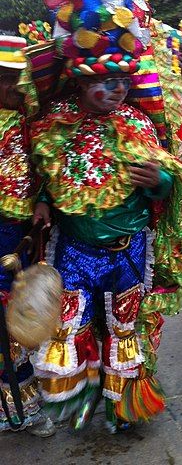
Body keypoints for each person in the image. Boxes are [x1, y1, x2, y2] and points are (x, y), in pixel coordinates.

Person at [32, 0, 182, 432]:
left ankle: (124, 405)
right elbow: (34, 177)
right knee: (75, 329)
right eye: (100, 82)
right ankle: (77, 401)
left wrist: (161, 181)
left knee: (126, 330)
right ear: (78, 80)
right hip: (74, 252)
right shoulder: (53, 124)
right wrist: (38, 204)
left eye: (122, 82)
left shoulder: (137, 122)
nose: (112, 91)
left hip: (130, 249)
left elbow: (173, 180)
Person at [0, 36, 55, 436]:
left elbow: (42, 168)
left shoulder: (31, 120)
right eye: (3, 80)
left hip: (21, 233)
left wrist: (43, 201)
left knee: (21, 315)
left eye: (16, 79)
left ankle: (25, 404)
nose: (11, 88)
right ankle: (17, 405)